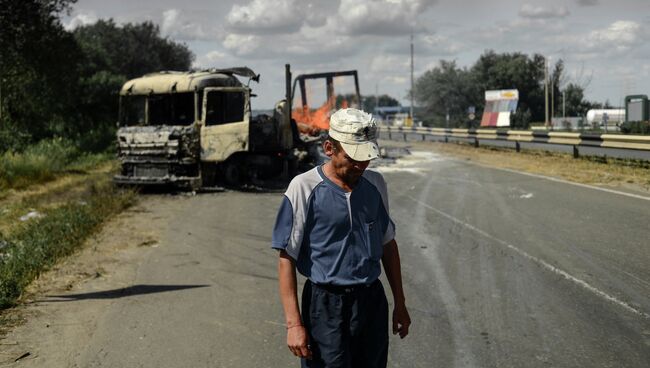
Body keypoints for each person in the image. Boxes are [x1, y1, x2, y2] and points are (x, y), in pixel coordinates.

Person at [272, 108, 411, 368]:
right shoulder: (303, 187)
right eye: (352, 158)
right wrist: (294, 324)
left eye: (366, 158)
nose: (361, 165)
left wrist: (400, 304)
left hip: (370, 302)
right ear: (329, 148)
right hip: (325, 306)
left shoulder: (376, 185)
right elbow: (286, 258)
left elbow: (388, 245)